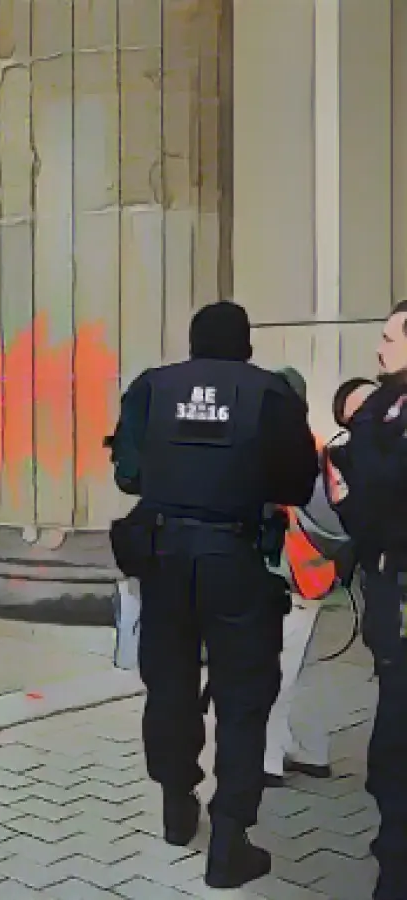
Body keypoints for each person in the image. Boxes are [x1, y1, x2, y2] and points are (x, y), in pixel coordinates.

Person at [108, 302, 318, 889]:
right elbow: (299, 482)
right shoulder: (270, 394)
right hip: (238, 559)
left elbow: (127, 474)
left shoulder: (152, 387)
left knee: (170, 685)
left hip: (165, 557)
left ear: (193, 342)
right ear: (247, 344)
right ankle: (230, 839)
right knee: (244, 698)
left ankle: (177, 803)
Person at [326, 301, 407, 900]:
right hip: (388, 601)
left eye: (388, 338)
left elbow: (380, 502)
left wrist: (351, 480)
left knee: (395, 756)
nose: (379, 348)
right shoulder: (384, 412)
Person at [262, 368, 353, 787]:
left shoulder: (283, 448)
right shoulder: (317, 447)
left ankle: (269, 759)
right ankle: (300, 748)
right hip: (314, 574)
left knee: (277, 666)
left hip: (291, 575)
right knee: (295, 666)